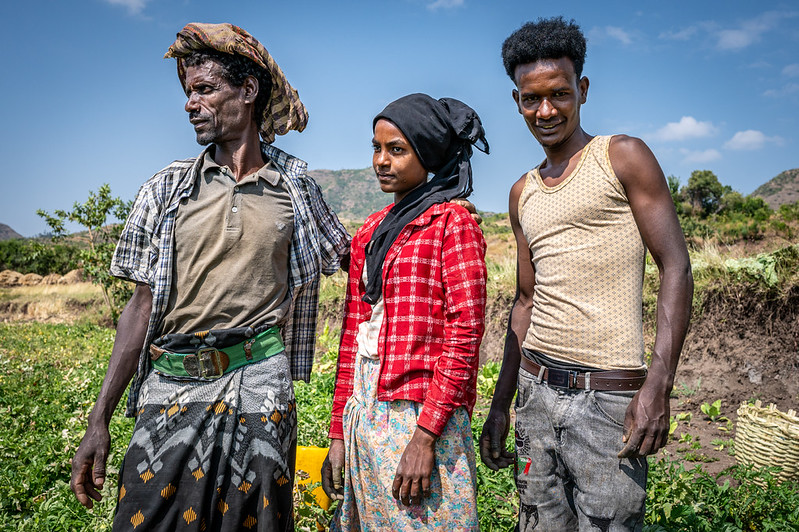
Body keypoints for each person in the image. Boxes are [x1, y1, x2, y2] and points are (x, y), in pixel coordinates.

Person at [69, 23, 350, 531]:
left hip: (260, 385)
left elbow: (355, 264)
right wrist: (100, 417)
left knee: (256, 521)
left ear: (247, 91)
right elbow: (139, 307)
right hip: (172, 384)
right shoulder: (165, 190)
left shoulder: (296, 188)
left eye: (203, 89)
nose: (189, 104)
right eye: (187, 92)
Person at [479, 17, 693, 531]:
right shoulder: (522, 192)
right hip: (534, 392)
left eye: (559, 94)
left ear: (583, 89)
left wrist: (657, 385)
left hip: (607, 399)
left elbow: (676, 266)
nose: (545, 110)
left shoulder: (622, 157)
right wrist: (502, 403)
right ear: (517, 100)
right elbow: (525, 303)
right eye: (532, 99)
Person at [321, 93, 489, 530]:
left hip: (420, 414)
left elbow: (464, 336)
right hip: (366, 409)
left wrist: (426, 436)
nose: (381, 160)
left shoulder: (454, 224)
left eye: (396, 150)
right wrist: (339, 432)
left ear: (428, 153)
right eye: (376, 148)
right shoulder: (370, 233)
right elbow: (353, 335)